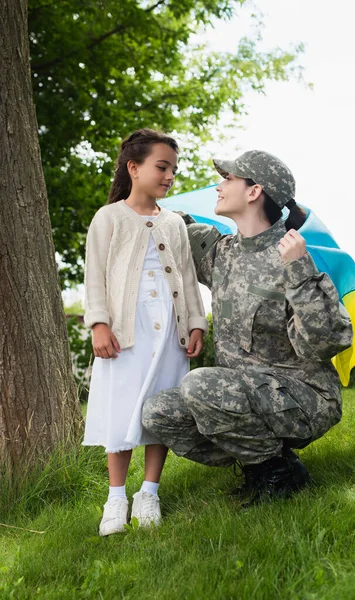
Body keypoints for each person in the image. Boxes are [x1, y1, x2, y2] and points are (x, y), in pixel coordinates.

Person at [142, 149, 354, 505]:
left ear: (254, 191)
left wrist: (299, 271)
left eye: (228, 179)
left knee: (199, 384)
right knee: (159, 414)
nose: (219, 187)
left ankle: (277, 474)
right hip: (239, 394)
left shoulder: (295, 256)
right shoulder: (222, 251)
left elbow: (324, 343)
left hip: (303, 398)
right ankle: (269, 463)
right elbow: (165, 223)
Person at [83, 129, 208, 535]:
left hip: (169, 328)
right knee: (121, 410)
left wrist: (195, 322)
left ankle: (149, 492)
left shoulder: (174, 223)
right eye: (162, 166)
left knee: (163, 408)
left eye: (173, 168)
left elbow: (188, 277)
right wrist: (99, 323)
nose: (170, 175)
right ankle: (116, 498)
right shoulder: (109, 217)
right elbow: (95, 276)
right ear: (133, 168)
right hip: (125, 330)